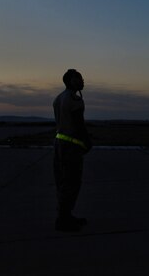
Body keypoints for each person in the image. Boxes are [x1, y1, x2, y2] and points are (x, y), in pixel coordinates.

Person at [53, 69, 92, 232]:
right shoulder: (75, 100)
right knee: (72, 182)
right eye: (79, 78)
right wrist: (87, 142)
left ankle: (66, 216)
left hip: (59, 144)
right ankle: (63, 220)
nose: (82, 81)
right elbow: (79, 124)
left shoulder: (58, 98)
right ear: (70, 81)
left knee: (63, 181)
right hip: (71, 147)